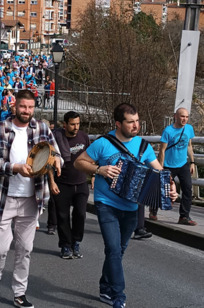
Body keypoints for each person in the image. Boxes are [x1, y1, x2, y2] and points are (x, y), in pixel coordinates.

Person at [74, 103, 177, 308]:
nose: (135, 125)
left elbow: (160, 173)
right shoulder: (103, 143)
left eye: (137, 121)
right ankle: (118, 296)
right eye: (130, 122)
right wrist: (100, 170)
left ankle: (105, 286)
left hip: (132, 208)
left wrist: (171, 188)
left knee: (118, 251)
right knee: (112, 249)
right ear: (118, 123)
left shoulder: (143, 146)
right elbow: (79, 162)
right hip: (107, 204)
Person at [0, 90, 61, 308]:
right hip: (3, 198)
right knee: (0, 248)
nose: (26, 111)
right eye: (22, 107)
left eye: (30, 107)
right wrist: (15, 167)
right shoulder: (1, 129)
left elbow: (55, 153)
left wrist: (56, 160)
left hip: (32, 199)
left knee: (25, 249)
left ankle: (19, 292)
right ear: (15, 106)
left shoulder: (43, 128)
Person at [51, 111, 90, 259]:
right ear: (65, 124)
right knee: (63, 217)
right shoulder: (56, 139)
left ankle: (76, 242)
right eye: (72, 124)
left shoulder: (84, 137)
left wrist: (92, 175)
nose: (76, 127)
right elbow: (49, 161)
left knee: (80, 214)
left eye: (78, 124)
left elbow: (91, 157)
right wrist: (52, 181)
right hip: (62, 183)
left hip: (81, 183)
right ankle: (65, 245)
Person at [153, 107, 197, 226]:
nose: (185, 119)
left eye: (187, 117)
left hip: (183, 164)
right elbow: (162, 151)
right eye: (182, 116)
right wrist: (161, 168)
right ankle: (153, 211)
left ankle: (184, 216)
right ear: (175, 116)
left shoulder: (189, 128)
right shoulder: (168, 131)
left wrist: (192, 162)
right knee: (162, 188)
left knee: (187, 189)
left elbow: (189, 146)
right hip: (168, 165)